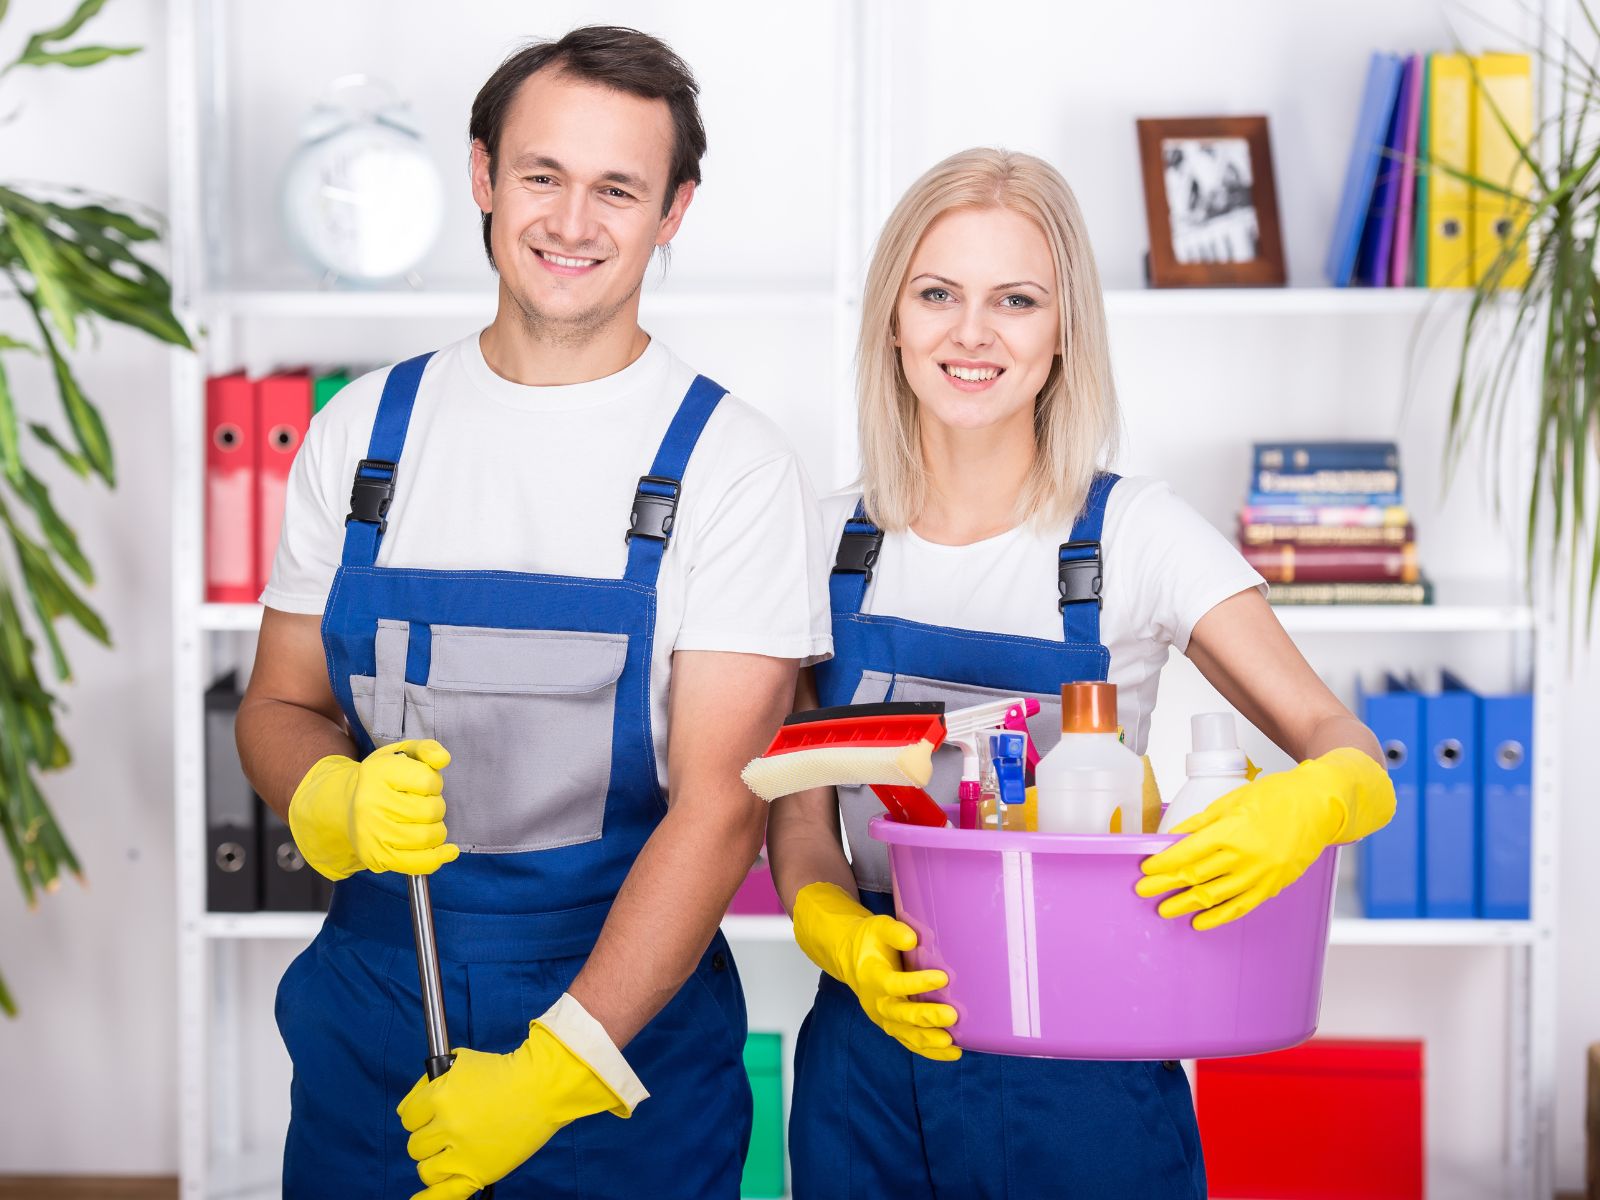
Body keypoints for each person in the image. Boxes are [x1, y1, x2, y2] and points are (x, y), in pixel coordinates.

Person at [236, 26, 829, 1200]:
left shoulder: (731, 466)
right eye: (542, 175)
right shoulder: (363, 435)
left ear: (673, 213)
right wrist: (329, 792)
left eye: (618, 188)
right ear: (483, 177)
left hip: (618, 1042)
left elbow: (719, 810)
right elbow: (279, 701)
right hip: (371, 1017)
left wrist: (557, 1069)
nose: (571, 221)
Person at [765, 147, 1396, 1199]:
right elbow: (796, 822)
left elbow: (1347, 747)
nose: (972, 333)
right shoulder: (822, 542)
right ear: (892, 318)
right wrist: (838, 935)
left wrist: (1315, 803)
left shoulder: (1136, 535)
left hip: (1084, 1054)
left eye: (1015, 300)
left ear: (1062, 333)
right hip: (867, 1054)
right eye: (937, 294)